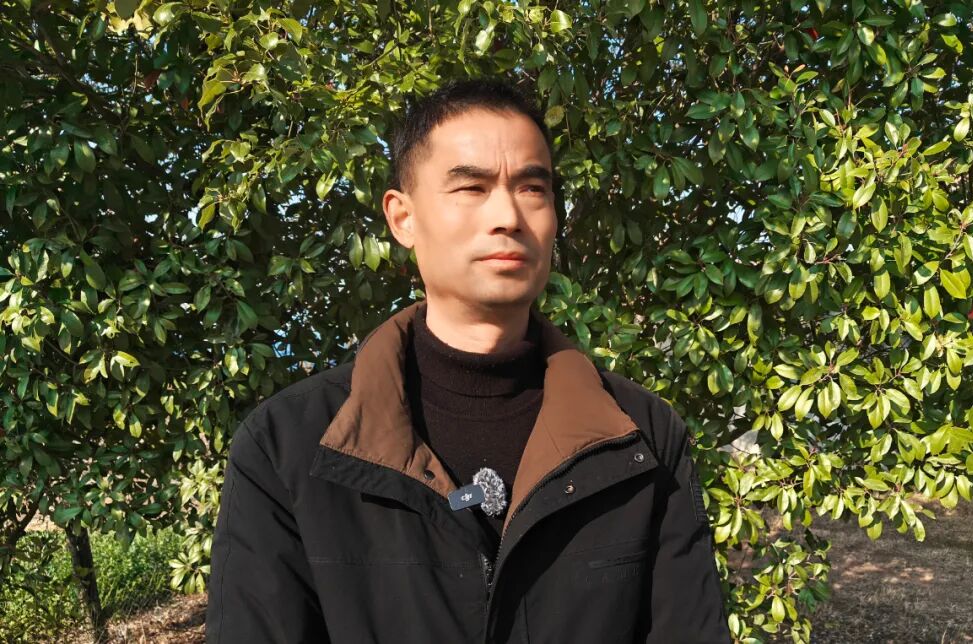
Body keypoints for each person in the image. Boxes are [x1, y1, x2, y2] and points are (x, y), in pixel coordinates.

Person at [206, 77, 731, 644]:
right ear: (402, 218)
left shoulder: (640, 437)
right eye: (471, 187)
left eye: (532, 188)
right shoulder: (289, 445)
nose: (508, 215)